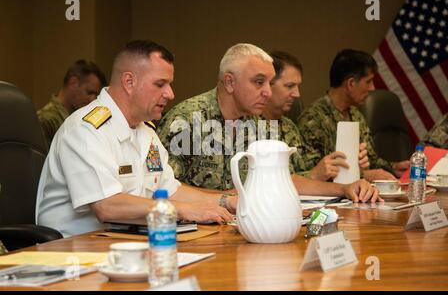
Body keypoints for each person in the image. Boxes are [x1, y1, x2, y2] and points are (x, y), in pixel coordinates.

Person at [36, 40, 234, 237]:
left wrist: (227, 201)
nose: (170, 94)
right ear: (129, 82)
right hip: (72, 254)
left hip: (123, 244)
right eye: (160, 84)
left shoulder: (146, 132)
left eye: (169, 84)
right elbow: (107, 206)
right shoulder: (86, 129)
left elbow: (170, 190)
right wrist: (182, 210)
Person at [157, 43, 380, 202]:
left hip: (244, 226)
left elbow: (285, 179)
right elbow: (162, 188)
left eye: (270, 83)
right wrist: (226, 199)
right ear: (230, 82)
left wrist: (344, 188)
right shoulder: (186, 120)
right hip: (193, 233)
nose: (267, 92)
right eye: (259, 82)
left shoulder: (259, 122)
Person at [297, 49, 410, 181]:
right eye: (368, 82)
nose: (372, 88)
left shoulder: (356, 114)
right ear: (351, 84)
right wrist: (363, 175)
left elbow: (371, 160)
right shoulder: (312, 120)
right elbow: (312, 174)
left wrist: (393, 167)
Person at [264, 50, 370, 181]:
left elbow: (303, 172)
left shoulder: (289, 126)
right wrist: (313, 175)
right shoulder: (245, 125)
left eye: (297, 86)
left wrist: (351, 167)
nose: (297, 94)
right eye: (290, 86)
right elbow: (256, 183)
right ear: (267, 85)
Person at [37, 60, 107, 146]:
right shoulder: (46, 120)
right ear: (73, 82)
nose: (93, 99)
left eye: (96, 95)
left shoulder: (81, 118)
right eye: (89, 92)